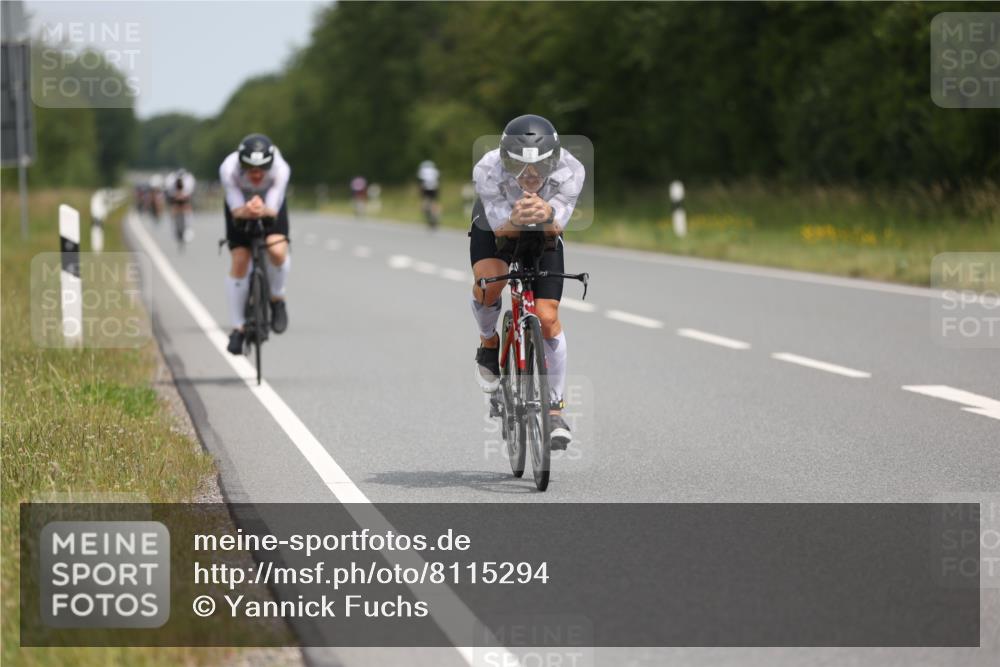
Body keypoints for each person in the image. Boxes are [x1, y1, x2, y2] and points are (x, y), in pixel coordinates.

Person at [469, 114, 585, 450]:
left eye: (539, 167)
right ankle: (488, 343)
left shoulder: (571, 170)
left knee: (547, 318)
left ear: (554, 159)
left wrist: (547, 216)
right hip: (496, 225)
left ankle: (554, 410)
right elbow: (501, 230)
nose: (530, 176)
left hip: (544, 224)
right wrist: (515, 219)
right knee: (490, 284)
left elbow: (556, 229)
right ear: (505, 159)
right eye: (518, 167)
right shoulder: (487, 169)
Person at [219, 133, 292, 355]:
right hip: (241, 205)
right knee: (240, 260)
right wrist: (245, 210)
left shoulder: (281, 168)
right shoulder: (228, 169)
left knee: (277, 250)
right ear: (241, 163)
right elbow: (234, 205)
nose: (257, 174)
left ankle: (277, 298)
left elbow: (274, 202)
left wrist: (263, 210)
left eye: (262, 169)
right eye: (250, 169)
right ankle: (238, 327)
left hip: (271, 206)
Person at [165, 168, 196, 245]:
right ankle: (174, 226)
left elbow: (189, 194)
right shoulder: (170, 181)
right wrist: (176, 197)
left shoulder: (189, 181)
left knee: (187, 206)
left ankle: (188, 226)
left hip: (186, 196)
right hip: (173, 196)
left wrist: (184, 197)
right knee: (174, 208)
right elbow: (170, 195)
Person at [417, 159, 441, 229]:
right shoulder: (435, 171)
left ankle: (429, 216)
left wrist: (420, 192)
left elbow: (421, 182)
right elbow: (438, 180)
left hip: (426, 189)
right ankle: (436, 215)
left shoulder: (423, 171)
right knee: (434, 203)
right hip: (435, 188)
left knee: (425, 203)